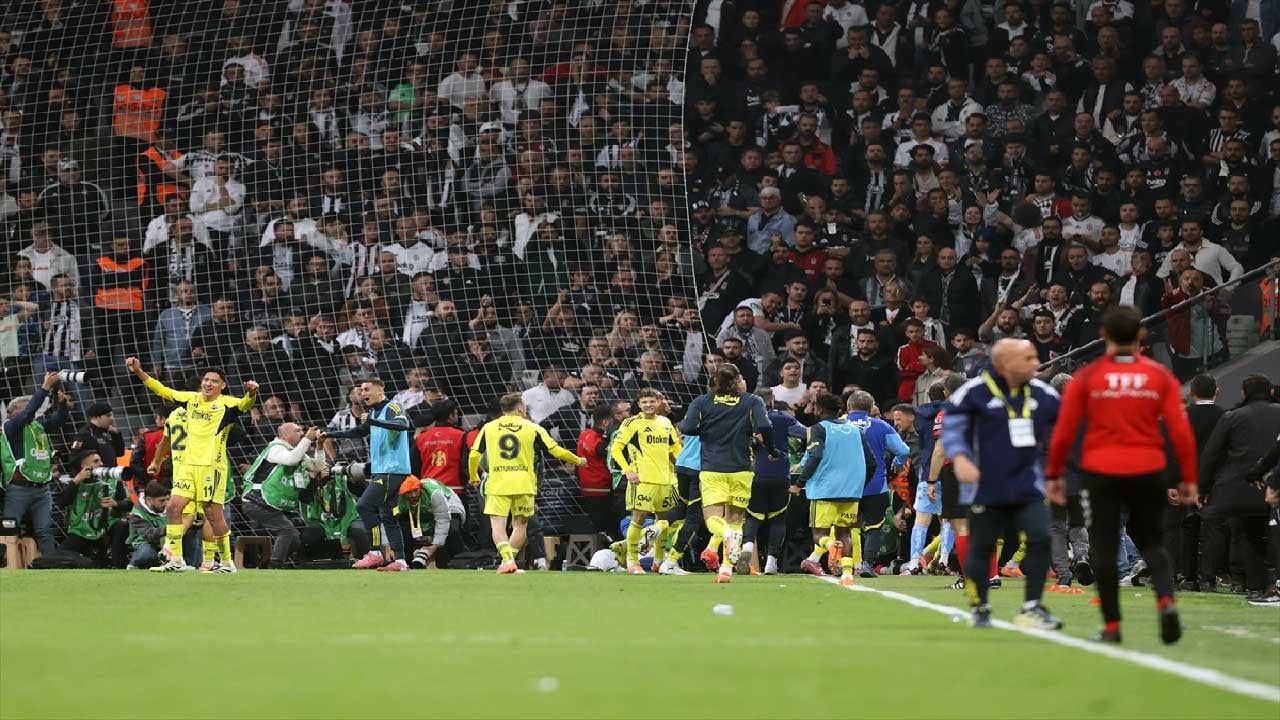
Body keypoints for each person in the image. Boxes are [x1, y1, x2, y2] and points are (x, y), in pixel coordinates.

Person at [1046, 307, 1197, 644]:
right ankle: (1167, 603)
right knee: (1153, 542)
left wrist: (1055, 474)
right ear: (1141, 337)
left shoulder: (1087, 377)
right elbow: (1181, 432)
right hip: (1149, 469)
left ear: (1103, 336)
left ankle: (1112, 627)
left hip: (1102, 471)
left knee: (1103, 545)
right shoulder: (1159, 376)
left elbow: (1064, 432)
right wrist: (1187, 477)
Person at [940, 339, 1062, 630]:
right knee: (981, 547)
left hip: (1027, 485)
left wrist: (1059, 470)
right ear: (1004, 363)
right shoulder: (973, 393)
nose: (1037, 363)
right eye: (1029, 358)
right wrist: (959, 457)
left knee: (1040, 538)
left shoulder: (1042, 393)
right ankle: (980, 605)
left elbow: (1069, 427)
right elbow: (952, 425)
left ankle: (1032, 607)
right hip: (984, 486)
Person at [125, 357, 257, 573]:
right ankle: (176, 559)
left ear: (222, 386)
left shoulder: (228, 404)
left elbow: (246, 404)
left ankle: (226, 562)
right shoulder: (191, 400)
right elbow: (163, 390)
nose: (208, 384)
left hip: (210, 467)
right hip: (186, 467)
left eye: (214, 381)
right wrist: (139, 371)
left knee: (213, 514)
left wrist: (251, 393)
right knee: (174, 506)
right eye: (206, 379)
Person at [468, 393, 586, 574]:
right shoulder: (532, 428)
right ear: (520, 409)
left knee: (498, 526)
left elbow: (474, 454)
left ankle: (507, 559)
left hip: (498, 483)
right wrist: (578, 460)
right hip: (523, 484)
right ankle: (508, 562)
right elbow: (555, 450)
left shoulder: (489, 427)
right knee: (520, 525)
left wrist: (474, 477)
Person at [679, 364, 774, 583]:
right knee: (736, 519)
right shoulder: (753, 400)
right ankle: (725, 570)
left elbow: (687, 427)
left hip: (713, 468)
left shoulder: (703, 401)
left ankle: (726, 539)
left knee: (713, 518)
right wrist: (771, 450)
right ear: (738, 380)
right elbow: (765, 427)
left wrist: (710, 427)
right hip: (742, 469)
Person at [1197, 375, 1280, 603]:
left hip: (1244, 488)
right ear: (1271, 391)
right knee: (1271, 535)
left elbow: (1211, 455)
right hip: (1276, 485)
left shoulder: (1232, 417)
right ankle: (1271, 583)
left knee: (1249, 535)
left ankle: (1251, 585)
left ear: (1244, 393)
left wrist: (1203, 489)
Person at [319, 377, 414, 572]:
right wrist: (331, 434)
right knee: (388, 517)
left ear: (380, 390)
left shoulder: (393, 407)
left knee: (364, 505)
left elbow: (403, 425)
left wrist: (373, 421)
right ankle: (401, 562)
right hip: (385, 469)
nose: (363, 393)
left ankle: (376, 553)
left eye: (367, 389)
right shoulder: (374, 412)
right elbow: (360, 431)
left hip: (392, 469)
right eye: (361, 390)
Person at [793, 392, 876, 586]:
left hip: (824, 491)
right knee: (845, 533)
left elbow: (814, 456)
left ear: (820, 409)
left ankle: (831, 547)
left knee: (820, 535)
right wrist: (859, 486)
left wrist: (799, 483)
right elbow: (871, 463)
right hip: (851, 492)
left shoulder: (818, 429)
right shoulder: (856, 431)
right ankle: (847, 574)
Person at [610, 387, 681, 573]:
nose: (649, 405)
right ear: (639, 405)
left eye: (652, 401)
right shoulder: (631, 423)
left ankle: (659, 562)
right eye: (645, 402)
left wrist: (682, 469)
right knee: (638, 519)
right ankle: (632, 561)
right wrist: (628, 471)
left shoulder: (665, 422)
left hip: (665, 481)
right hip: (642, 481)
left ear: (658, 402)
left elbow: (674, 449)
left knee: (664, 522)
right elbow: (616, 449)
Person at [240, 423, 327, 568]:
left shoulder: (296, 452)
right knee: (287, 531)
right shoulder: (275, 449)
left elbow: (317, 466)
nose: (301, 433)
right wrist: (307, 439)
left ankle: (266, 566)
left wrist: (319, 446)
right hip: (255, 501)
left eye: (302, 430)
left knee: (295, 540)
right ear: (284, 435)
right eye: (297, 430)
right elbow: (291, 459)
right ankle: (274, 565)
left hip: (268, 503)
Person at [1, 372, 70, 555]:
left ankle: (50, 566)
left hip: (42, 487)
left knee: (45, 530)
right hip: (18, 488)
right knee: (10, 529)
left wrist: (62, 404)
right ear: (15, 412)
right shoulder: (10, 427)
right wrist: (45, 387)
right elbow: (30, 411)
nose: (31, 412)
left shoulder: (36, 426)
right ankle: (9, 566)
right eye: (25, 409)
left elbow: (58, 421)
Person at [845, 390, 911, 577]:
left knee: (847, 526)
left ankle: (848, 565)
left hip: (846, 486)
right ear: (870, 408)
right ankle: (867, 565)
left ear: (849, 407)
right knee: (874, 526)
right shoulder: (882, 426)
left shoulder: (840, 425)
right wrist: (897, 464)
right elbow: (903, 450)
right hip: (875, 484)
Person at [743, 388, 806, 575]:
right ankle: (772, 562)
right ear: (771, 401)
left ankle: (747, 547)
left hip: (755, 473)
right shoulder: (783, 417)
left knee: (753, 516)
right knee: (778, 518)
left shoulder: (746, 418)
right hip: (780, 474)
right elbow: (804, 433)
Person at [57, 449, 131, 566]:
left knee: (121, 526)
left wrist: (116, 504)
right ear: (83, 466)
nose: (101, 464)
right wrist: (76, 481)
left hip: (106, 527)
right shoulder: (73, 483)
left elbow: (129, 505)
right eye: (96, 461)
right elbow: (62, 502)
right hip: (81, 530)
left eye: (100, 460)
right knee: (61, 556)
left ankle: (119, 565)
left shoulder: (113, 481)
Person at [396, 475, 466, 569]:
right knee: (403, 529)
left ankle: (456, 562)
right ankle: (407, 563)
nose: (413, 495)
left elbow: (443, 520)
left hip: (449, 506)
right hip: (423, 510)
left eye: (416, 491)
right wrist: (388, 546)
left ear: (421, 488)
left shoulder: (435, 494)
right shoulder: (398, 498)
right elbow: (389, 522)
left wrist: (434, 546)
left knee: (452, 530)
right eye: (409, 493)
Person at [126, 482, 170, 569]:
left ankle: (192, 565)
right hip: (145, 542)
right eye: (161, 501)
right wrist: (172, 528)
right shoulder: (137, 514)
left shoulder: (170, 506)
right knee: (146, 554)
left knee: (193, 530)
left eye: (167, 499)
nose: (166, 503)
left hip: (169, 541)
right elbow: (149, 534)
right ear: (149, 500)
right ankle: (134, 564)